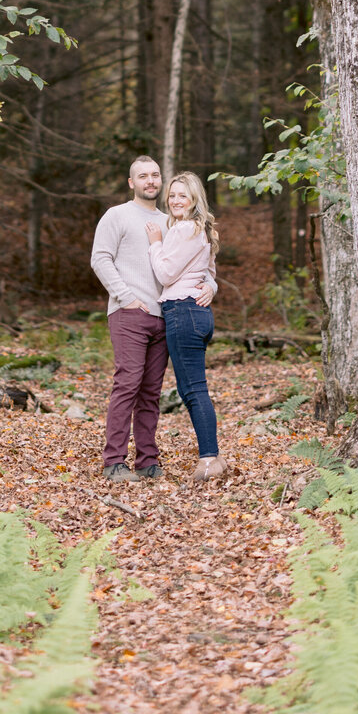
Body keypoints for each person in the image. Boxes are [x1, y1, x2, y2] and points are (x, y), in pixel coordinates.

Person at [90, 155, 213, 482]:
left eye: (155, 175)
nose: (150, 181)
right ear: (132, 182)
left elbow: (202, 262)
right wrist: (125, 297)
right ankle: (114, 461)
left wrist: (211, 285)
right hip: (128, 313)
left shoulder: (172, 220)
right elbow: (100, 259)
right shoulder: (116, 216)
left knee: (150, 391)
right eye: (142, 176)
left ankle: (148, 461)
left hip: (166, 317)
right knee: (127, 383)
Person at [147, 171, 228, 482]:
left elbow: (166, 274)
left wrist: (155, 244)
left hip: (183, 310)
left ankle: (210, 458)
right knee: (192, 389)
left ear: (195, 200)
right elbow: (209, 273)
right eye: (172, 194)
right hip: (197, 313)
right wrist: (212, 287)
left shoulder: (183, 229)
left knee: (194, 390)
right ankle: (213, 455)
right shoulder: (200, 230)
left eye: (183, 195)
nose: (175, 200)